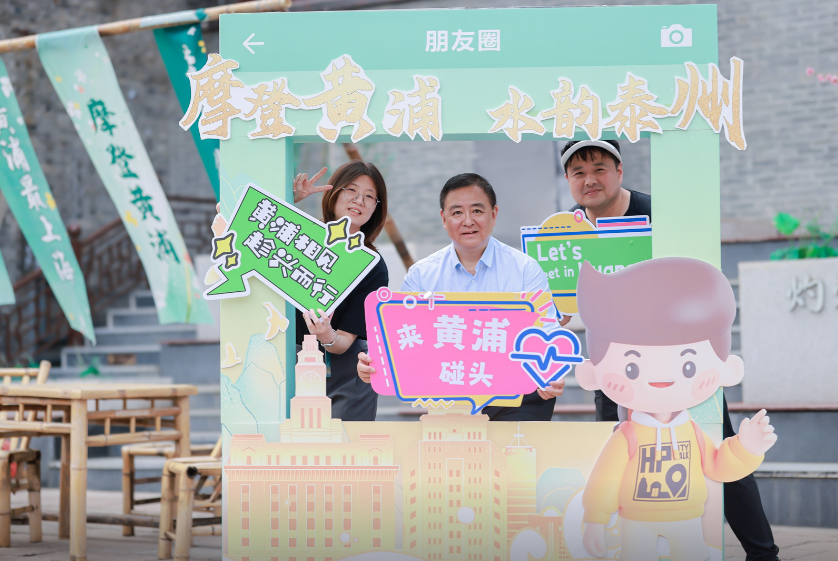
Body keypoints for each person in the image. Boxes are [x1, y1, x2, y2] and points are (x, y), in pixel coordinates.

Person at [562, 139, 781, 561]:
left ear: (619, 170)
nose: (589, 180)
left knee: (718, 447)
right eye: (578, 173)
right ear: (568, 179)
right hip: (619, 367)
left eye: (599, 168)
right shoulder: (566, 231)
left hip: (680, 365)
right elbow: (566, 298)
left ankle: (763, 554)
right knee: (618, 457)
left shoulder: (657, 214)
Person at [574, 258, 776, 561]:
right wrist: (595, 519)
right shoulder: (627, 433)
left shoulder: (691, 428)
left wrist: (747, 449)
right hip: (636, 518)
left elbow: (718, 462)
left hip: (687, 517)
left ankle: (763, 554)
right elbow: (606, 474)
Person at [356, 172, 566, 420]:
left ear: (494, 214)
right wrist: (374, 363)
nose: (468, 221)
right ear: (444, 219)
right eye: (457, 212)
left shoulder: (525, 269)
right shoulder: (421, 275)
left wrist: (552, 371)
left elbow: (547, 332)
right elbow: (399, 339)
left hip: (519, 397)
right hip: (450, 397)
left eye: (477, 211)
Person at [213, 161, 389, 421]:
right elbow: (228, 215)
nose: (359, 201)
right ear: (334, 193)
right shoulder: (296, 234)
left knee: (341, 446)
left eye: (369, 196)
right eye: (351, 190)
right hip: (278, 359)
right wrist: (288, 198)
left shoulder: (372, 265)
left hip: (341, 374)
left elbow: (343, 342)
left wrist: (326, 334)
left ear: (376, 207)